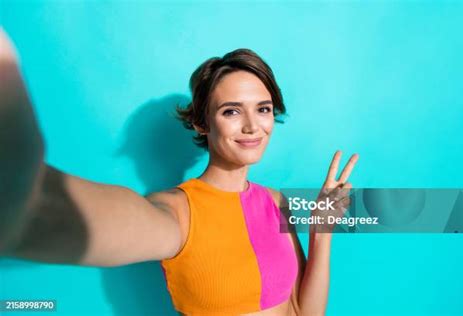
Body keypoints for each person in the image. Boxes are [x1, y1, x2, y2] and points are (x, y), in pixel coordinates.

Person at [0, 28, 359, 316]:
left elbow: (302, 311)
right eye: (232, 111)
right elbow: (108, 221)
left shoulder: (275, 201)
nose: (253, 126)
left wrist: (321, 234)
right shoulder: (177, 211)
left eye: (263, 109)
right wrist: (26, 204)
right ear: (203, 123)